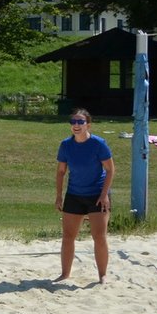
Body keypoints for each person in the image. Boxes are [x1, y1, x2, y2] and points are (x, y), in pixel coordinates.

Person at [54, 107, 113, 284]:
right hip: (74, 194)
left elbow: (110, 170)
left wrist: (104, 194)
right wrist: (59, 195)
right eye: (73, 122)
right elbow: (61, 172)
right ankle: (65, 274)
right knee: (68, 236)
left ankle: (102, 275)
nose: (76, 125)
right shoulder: (66, 145)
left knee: (99, 236)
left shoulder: (98, 144)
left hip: (97, 194)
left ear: (88, 125)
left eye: (80, 122)